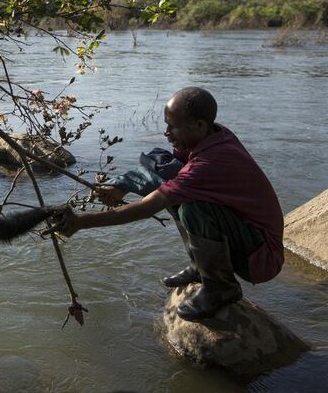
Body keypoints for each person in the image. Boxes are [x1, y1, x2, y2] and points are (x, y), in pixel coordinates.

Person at [54, 87, 284, 321]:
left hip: (261, 257)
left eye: (173, 126)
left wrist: (82, 222)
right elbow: (165, 172)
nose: (166, 133)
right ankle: (202, 268)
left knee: (193, 208)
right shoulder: (216, 135)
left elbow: (149, 206)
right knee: (164, 167)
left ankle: (221, 287)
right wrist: (123, 184)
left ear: (200, 126)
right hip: (247, 239)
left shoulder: (209, 163)